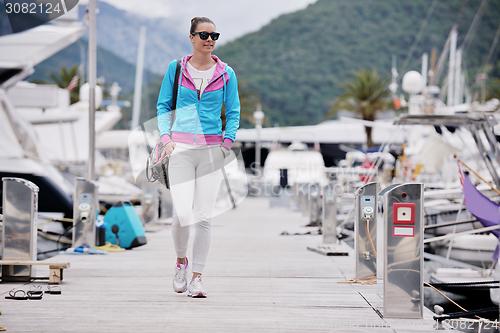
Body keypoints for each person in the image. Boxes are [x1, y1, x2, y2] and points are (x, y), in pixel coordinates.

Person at [156, 16, 240, 298]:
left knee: (203, 217)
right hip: (179, 149)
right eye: (203, 35)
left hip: (211, 151)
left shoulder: (227, 73)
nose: (209, 40)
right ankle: (181, 262)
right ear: (191, 37)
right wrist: (166, 139)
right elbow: (163, 105)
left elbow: (234, 111)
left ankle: (197, 278)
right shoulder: (176, 68)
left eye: (214, 35)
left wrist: (226, 144)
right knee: (181, 214)